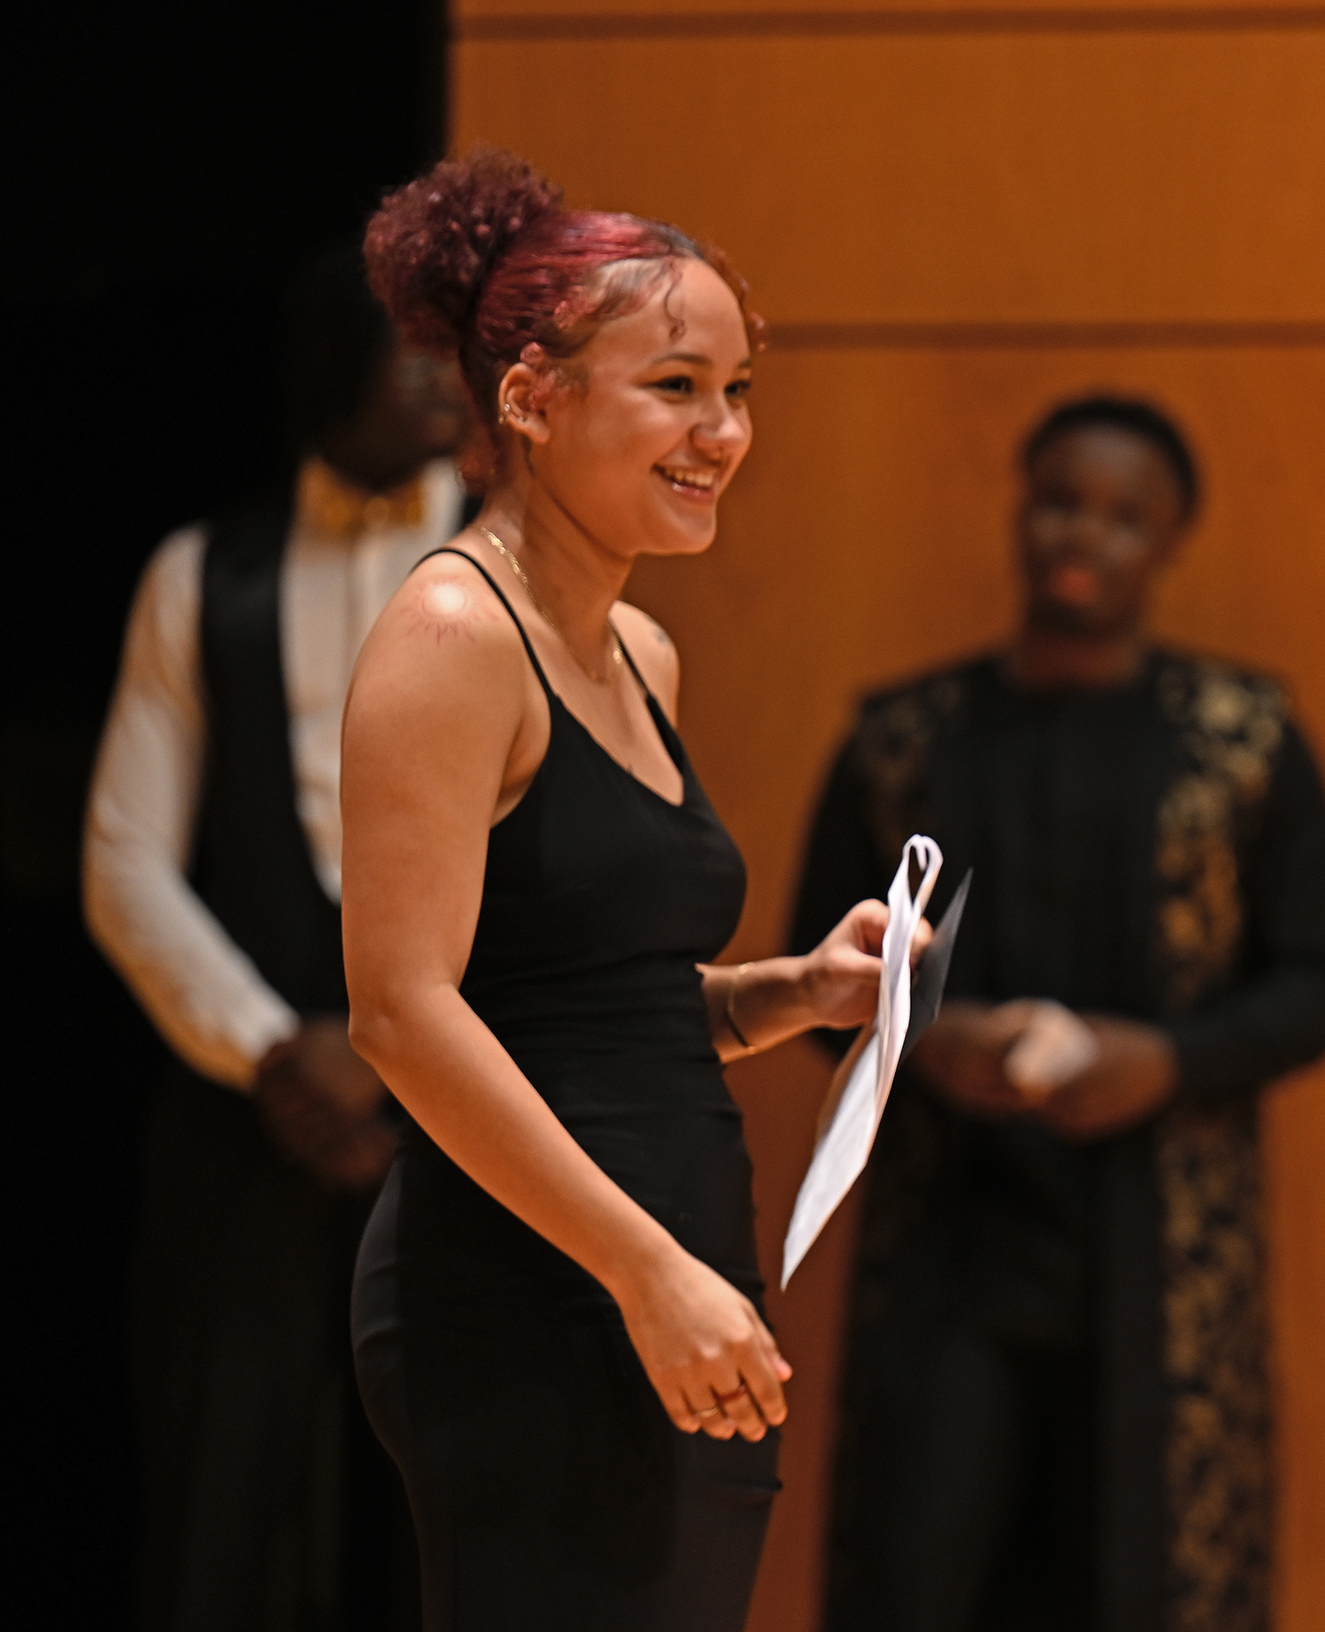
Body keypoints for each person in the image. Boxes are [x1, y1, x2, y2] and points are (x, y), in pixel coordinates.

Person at [338, 147, 907, 1632]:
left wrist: (805, 990)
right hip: (537, 1291)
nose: (722, 433)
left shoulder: (642, 653)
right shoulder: (455, 632)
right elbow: (401, 1014)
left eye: (736, 390)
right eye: (675, 387)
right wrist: (645, 1272)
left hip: (672, 1277)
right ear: (532, 399)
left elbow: (602, 1007)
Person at [791, 395, 1325, 1632]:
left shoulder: (1245, 739)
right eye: (1060, 499)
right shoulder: (902, 740)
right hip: (948, 1242)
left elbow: (1324, 978)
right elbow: (814, 984)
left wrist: (1165, 1059)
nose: (1082, 534)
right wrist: (932, 1042)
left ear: (1169, 542)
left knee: (1150, 1577)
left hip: (1167, 1250)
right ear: (1020, 501)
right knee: (915, 1574)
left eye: (1123, 516)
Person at [85, 244, 466, 1632]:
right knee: (214, 1503)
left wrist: (398, 1046)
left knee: (437, 1520)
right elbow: (125, 859)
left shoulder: (535, 565)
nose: (443, 372)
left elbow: (562, 857)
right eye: (408, 342)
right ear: (327, 360)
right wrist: (272, 1053)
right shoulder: (204, 573)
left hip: (466, 1126)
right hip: (240, 1118)